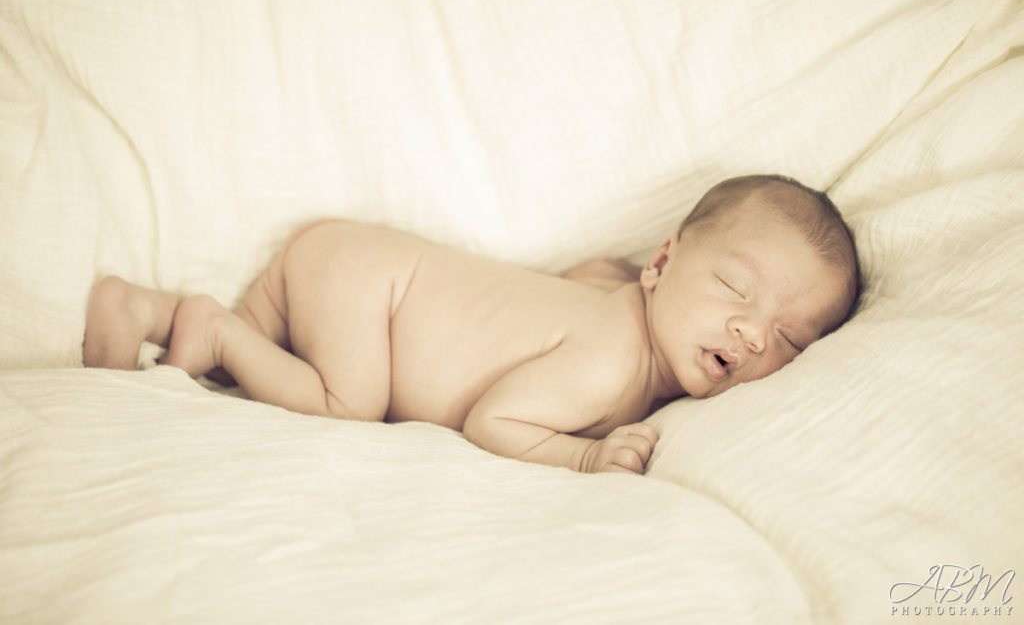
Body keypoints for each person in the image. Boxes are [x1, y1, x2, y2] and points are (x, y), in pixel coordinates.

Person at [83, 174, 861, 475]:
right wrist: (588, 457)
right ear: (663, 258)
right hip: (370, 289)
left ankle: (144, 310)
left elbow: (582, 277)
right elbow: (496, 418)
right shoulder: (611, 359)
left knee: (255, 379)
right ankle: (211, 327)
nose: (755, 333)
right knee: (345, 404)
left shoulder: (617, 296)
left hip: (352, 264)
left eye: (791, 337)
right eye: (735, 287)